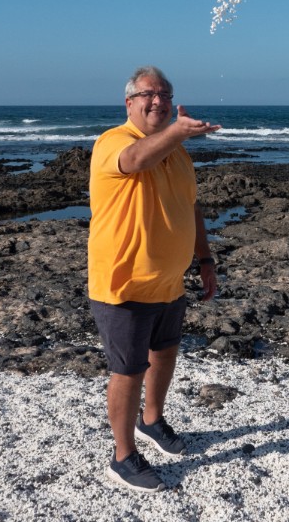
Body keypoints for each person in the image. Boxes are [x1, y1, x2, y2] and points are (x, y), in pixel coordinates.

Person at [87, 66, 220, 492]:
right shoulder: (113, 141)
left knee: (164, 353)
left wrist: (205, 259)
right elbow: (135, 160)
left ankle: (152, 420)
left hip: (169, 282)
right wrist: (177, 132)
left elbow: (191, 207)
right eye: (149, 94)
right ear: (129, 102)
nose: (158, 101)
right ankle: (122, 457)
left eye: (165, 94)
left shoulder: (178, 154)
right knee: (128, 370)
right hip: (124, 284)